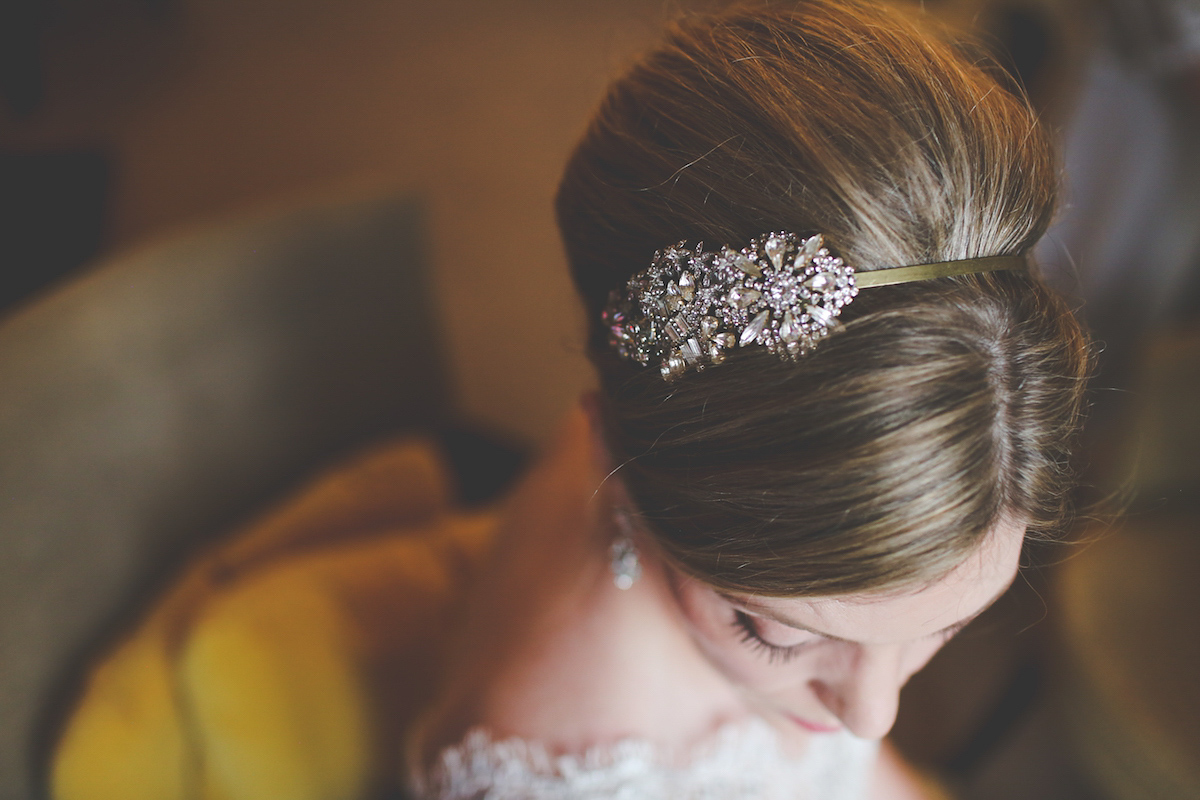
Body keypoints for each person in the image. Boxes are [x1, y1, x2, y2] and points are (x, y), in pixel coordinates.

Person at [50, 1, 1091, 798]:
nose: (872, 711)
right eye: (771, 628)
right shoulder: (564, 756)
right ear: (616, 448)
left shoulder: (686, 424)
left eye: (943, 628)